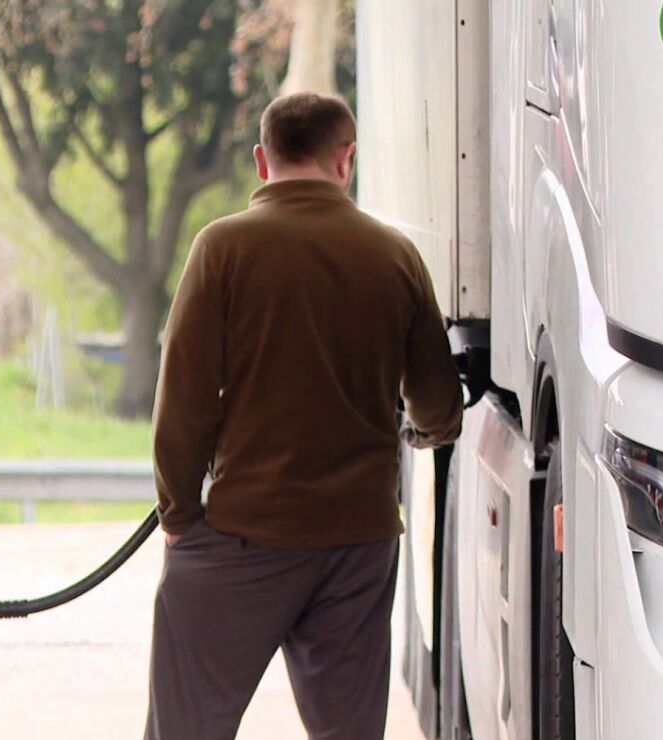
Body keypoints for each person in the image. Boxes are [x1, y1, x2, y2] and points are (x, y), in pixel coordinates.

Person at [145, 92, 464, 740]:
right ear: (346, 159)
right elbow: (438, 407)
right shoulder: (394, 255)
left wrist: (179, 514)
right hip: (358, 542)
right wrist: (416, 429)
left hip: (243, 534)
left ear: (263, 160)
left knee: (187, 728)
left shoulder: (223, 248)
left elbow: (183, 399)